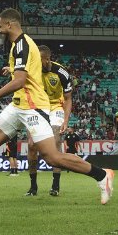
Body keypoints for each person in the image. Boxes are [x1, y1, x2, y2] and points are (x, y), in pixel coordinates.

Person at [0, 9, 114, 208]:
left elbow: (20, 81)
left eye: (0, 23)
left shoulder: (22, 45)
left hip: (33, 107)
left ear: (10, 24)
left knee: (52, 157)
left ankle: (102, 175)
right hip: (18, 105)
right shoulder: (19, 44)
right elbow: (26, 72)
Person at [23, 45, 73, 197]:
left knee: (56, 140)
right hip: (37, 108)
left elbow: (68, 98)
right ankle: (33, 187)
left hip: (56, 107)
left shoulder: (61, 72)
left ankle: (55, 186)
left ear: (47, 59)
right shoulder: (33, 70)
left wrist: (65, 120)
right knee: (31, 145)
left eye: (39, 60)